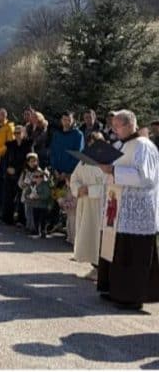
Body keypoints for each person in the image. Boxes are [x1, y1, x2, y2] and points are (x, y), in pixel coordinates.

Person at [96, 109, 159, 310]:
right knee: (119, 250)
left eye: (117, 125)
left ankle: (133, 297)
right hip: (119, 208)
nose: (114, 129)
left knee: (134, 254)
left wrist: (114, 170)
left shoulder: (144, 146)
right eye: (113, 125)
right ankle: (116, 291)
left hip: (139, 210)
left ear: (130, 124)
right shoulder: (121, 145)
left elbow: (146, 178)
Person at [69, 131, 107, 280]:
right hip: (85, 203)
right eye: (90, 143)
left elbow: (109, 185)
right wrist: (78, 189)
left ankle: (101, 268)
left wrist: (90, 190)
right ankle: (94, 266)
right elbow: (74, 178)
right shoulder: (84, 160)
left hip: (99, 204)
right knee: (87, 234)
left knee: (98, 236)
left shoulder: (107, 161)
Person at [3, 125, 33, 225]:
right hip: (10, 174)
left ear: (24, 133)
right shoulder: (10, 145)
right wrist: (7, 168)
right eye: (15, 133)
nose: (17, 135)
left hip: (22, 174)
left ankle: (21, 219)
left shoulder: (28, 145)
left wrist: (17, 170)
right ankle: (7, 218)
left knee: (21, 197)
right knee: (8, 196)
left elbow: (29, 161)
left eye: (19, 132)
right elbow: (6, 159)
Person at [25, 168, 53, 239]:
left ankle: (43, 231)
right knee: (35, 218)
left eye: (41, 176)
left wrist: (38, 196)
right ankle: (36, 230)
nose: (39, 178)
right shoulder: (32, 185)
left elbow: (47, 195)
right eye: (36, 176)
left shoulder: (45, 185)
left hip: (43, 206)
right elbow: (26, 193)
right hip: (34, 205)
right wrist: (29, 196)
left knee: (43, 219)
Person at [18, 153, 43, 234]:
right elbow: (20, 182)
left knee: (34, 212)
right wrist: (23, 185)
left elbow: (43, 181)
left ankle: (34, 228)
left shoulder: (39, 171)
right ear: (28, 162)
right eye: (31, 161)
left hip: (35, 195)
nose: (33, 163)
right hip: (26, 195)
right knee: (27, 211)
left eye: (35, 161)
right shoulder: (25, 172)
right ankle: (28, 226)